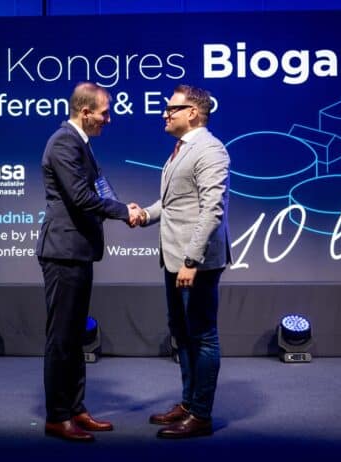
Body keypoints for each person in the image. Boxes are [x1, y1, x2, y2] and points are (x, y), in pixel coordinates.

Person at [36, 82, 140, 442]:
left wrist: (124, 207)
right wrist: (123, 213)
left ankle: (76, 408)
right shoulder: (64, 142)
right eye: (104, 113)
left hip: (78, 251)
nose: (108, 119)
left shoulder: (80, 143)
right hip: (62, 252)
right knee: (61, 338)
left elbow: (99, 186)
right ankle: (57, 416)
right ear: (85, 112)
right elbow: (81, 197)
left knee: (75, 335)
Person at [139, 85, 232, 438]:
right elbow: (173, 203)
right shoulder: (181, 149)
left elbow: (212, 210)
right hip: (174, 258)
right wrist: (144, 215)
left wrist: (191, 260)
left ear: (192, 112)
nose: (165, 113)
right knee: (182, 333)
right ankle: (189, 403)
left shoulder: (210, 150)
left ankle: (201, 416)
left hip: (197, 263)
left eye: (172, 108)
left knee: (203, 336)